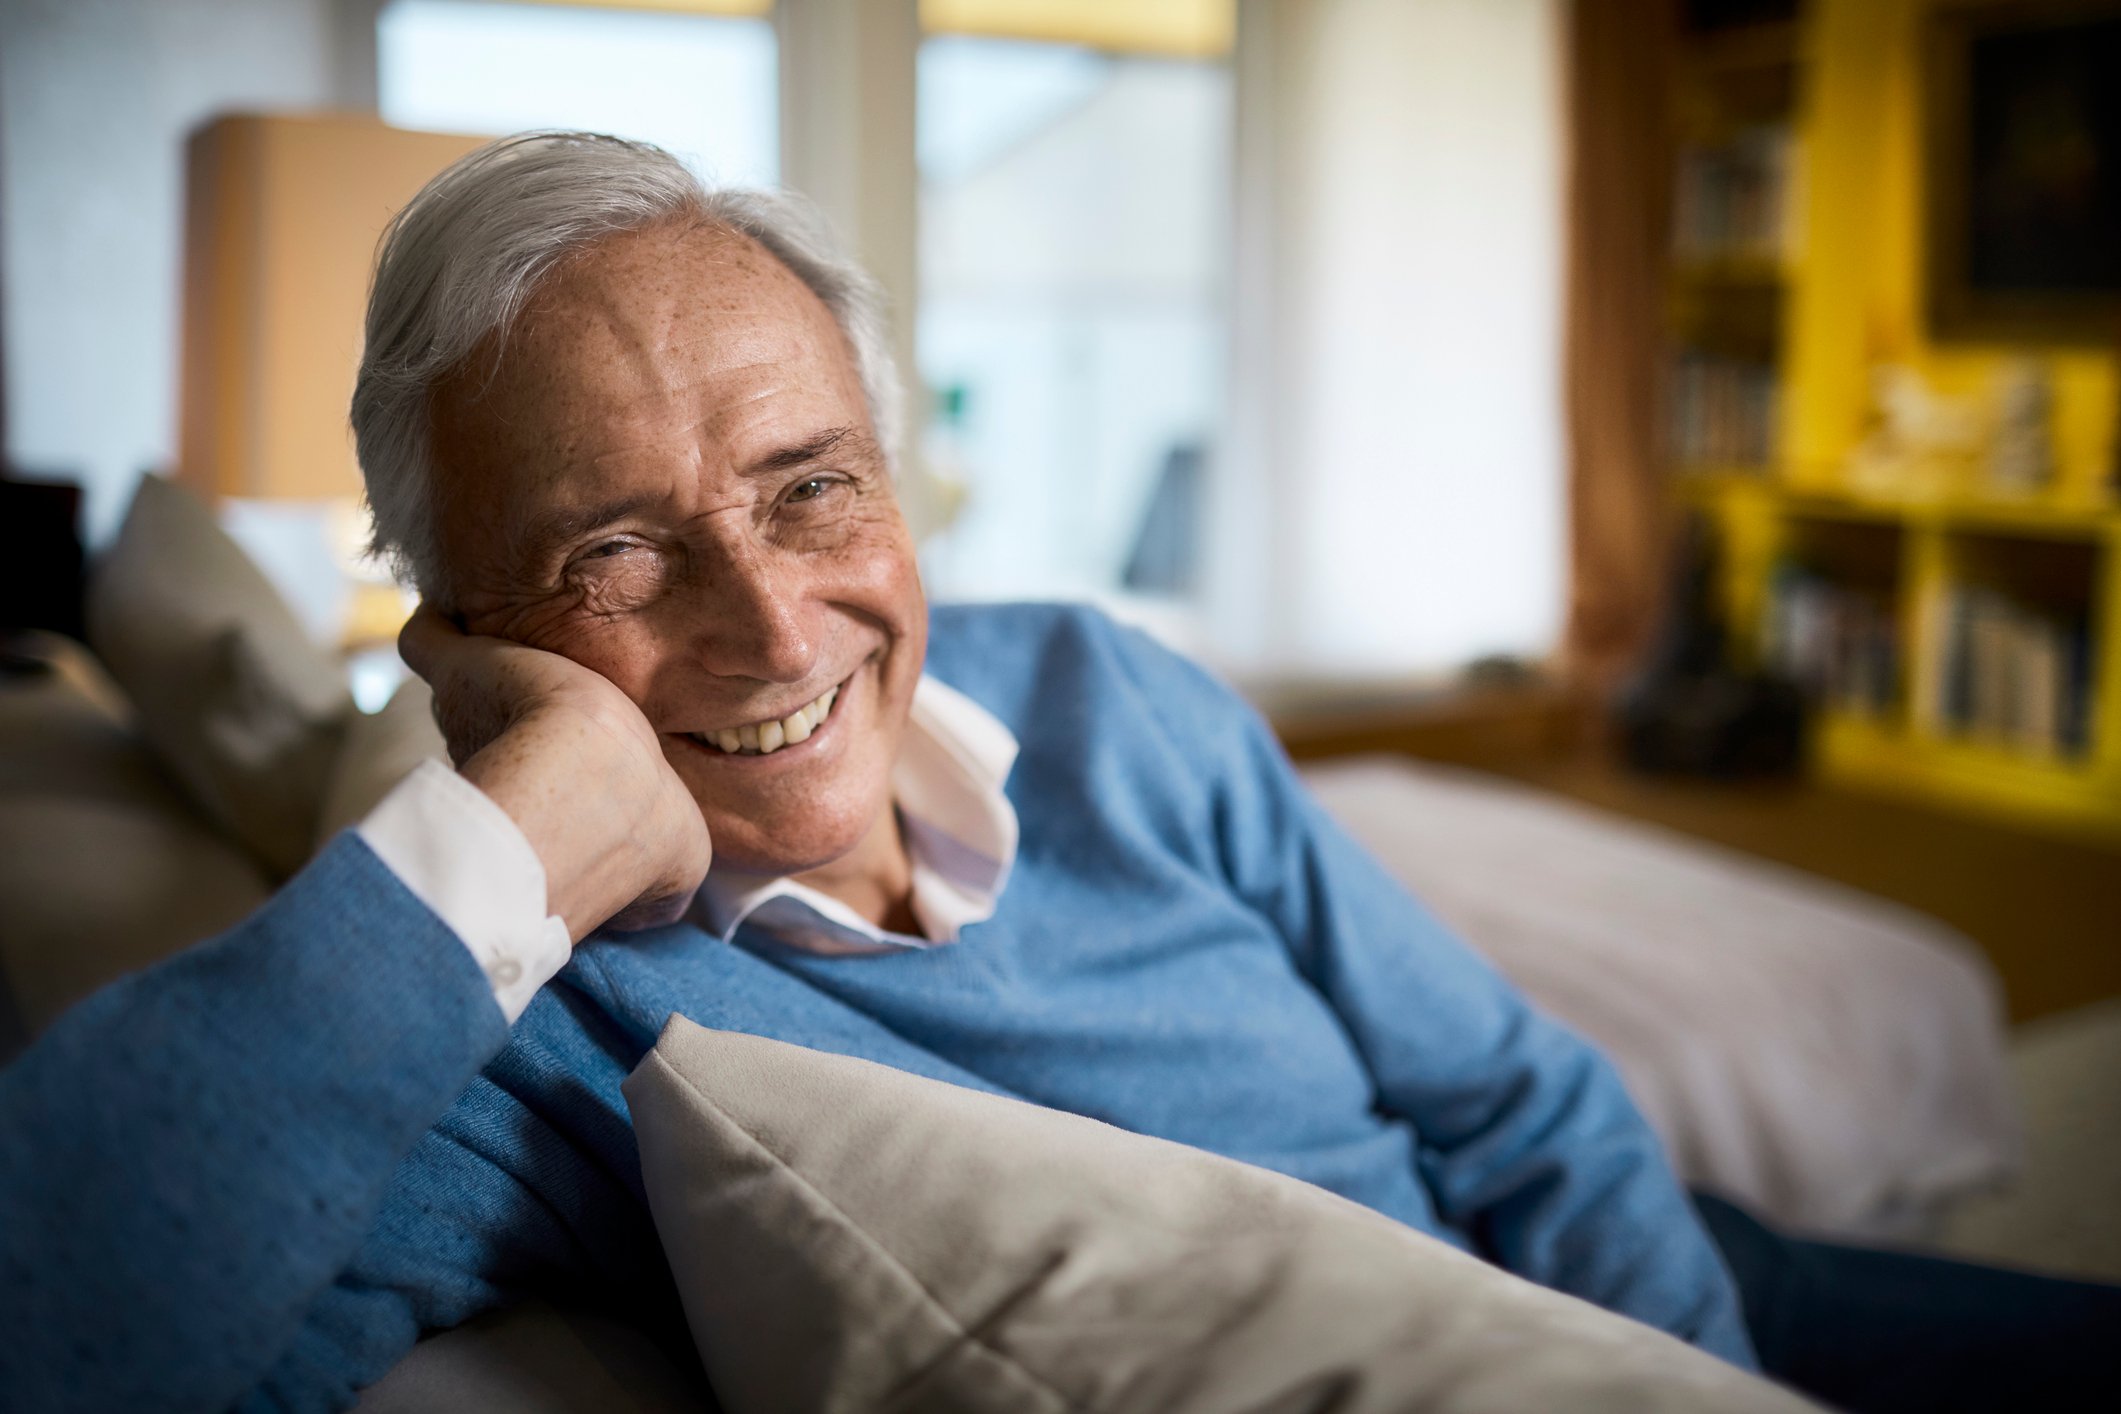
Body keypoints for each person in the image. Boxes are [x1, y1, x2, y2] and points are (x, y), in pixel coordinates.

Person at [0, 133, 2111, 1414]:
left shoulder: (1104, 687)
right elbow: (63, 1326)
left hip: (1644, 1258)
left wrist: (1688, 1349)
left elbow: (1510, 1095)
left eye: (812, 485)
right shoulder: (530, 1040)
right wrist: (505, 838)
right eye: (611, 553)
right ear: (459, 636)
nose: (772, 625)